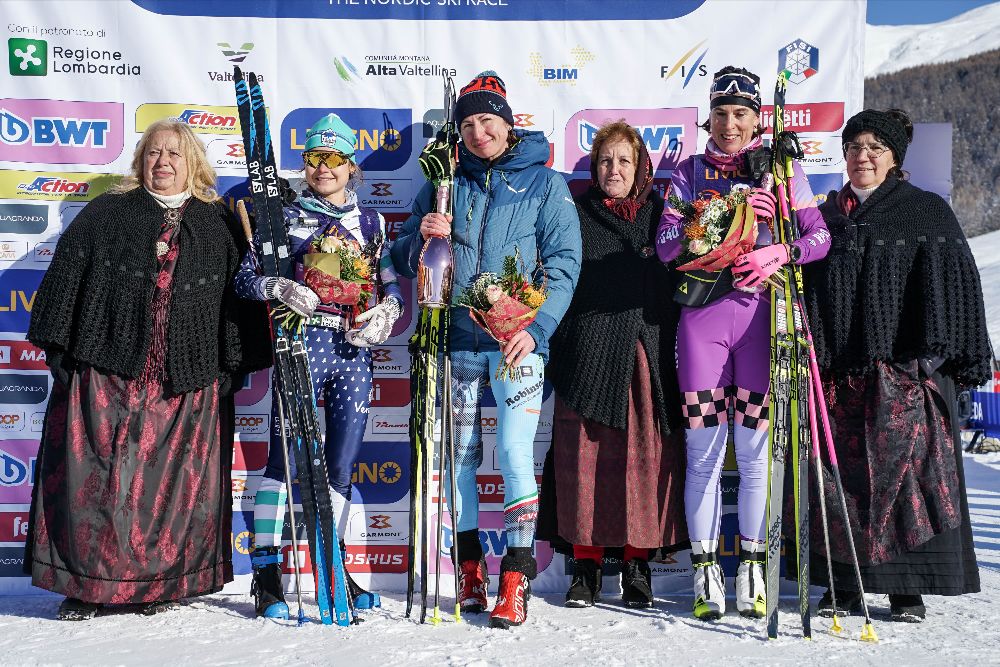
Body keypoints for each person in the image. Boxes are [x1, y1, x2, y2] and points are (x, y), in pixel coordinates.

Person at [24, 119, 271, 621]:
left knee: (172, 489)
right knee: (98, 482)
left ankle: (161, 584)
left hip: (187, 377)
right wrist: (63, 354)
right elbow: (65, 279)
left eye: (174, 154)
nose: (163, 162)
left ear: (193, 164)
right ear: (140, 162)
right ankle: (89, 587)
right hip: (109, 370)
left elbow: (237, 302)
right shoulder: (106, 213)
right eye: (154, 153)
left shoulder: (217, 223)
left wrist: (231, 366)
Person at [392, 70, 581, 629]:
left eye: (488, 120)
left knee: (518, 456)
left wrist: (538, 326)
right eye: (468, 123)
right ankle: (470, 571)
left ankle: (515, 580)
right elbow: (403, 257)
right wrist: (419, 239)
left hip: (517, 344)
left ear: (508, 122)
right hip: (456, 342)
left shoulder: (545, 184)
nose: (479, 132)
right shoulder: (444, 180)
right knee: (460, 457)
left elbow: (566, 265)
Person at [802, 108, 991, 623]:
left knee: (907, 483)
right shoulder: (825, 217)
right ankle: (842, 586)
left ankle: (907, 589)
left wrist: (924, 364)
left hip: (904, 374)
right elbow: (810, 294)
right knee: (839, 482)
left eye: (875, 148)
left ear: (894, 157)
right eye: (854, 147)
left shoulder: (924, 210)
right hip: (839, 376)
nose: (862, 157)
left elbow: (955, 290)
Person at [655, 66, 830, 621]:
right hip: (703, 323)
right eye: (722, 113)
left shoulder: (781, 170)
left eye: (742, 114)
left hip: (762, 322)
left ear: (758, 117)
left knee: (755, 457)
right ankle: (708, 574)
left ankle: (754, 569)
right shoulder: (686, 172)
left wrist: (778, 251)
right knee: (703, 457)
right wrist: (714, 219)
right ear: (709, 116)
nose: (730, 125)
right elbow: (663, 250)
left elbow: (820, 237)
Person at [233, 113, 404, 619]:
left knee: (342, 463)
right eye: (314, 158)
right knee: (283, 462)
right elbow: (246, 279)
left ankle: (335, 570)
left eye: (334, 159)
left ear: (351, 166)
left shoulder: (370, 222)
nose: (323, 169)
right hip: (300, 345)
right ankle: (267, 574)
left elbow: (387, 283)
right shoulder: (280, 216)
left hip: (352, 351)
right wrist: (279, 287)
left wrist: (386, 315)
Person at [541, 120, 686, 609]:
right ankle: (584, 566)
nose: (614, 169)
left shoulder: (663, 218)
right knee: (586, 465)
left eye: (624, 160)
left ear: (641, 165)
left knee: (643, 464)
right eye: (605, 160)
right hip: (585, 356)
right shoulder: (573, 214)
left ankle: (637, 565)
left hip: (646, 355)